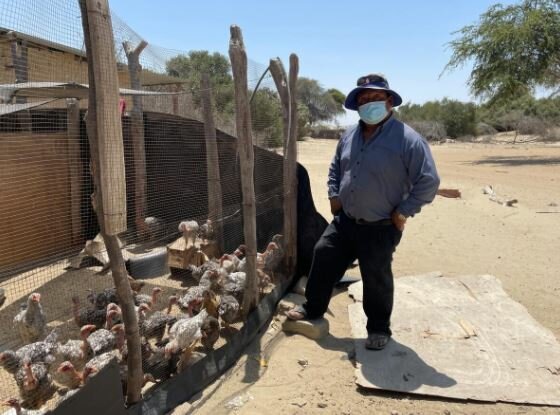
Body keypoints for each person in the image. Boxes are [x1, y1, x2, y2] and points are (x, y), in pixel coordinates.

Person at [287, 74, 440, 350]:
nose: (369, 104)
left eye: (375, 98)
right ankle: (312, 309)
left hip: (382, 225)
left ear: (389, 101)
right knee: (323, 256)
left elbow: (429, 181)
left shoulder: (408, 140)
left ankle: (379, 329)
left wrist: (404, 211)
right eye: (363, 99)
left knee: (376, 275)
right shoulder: (349, 135)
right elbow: (336, 167)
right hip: (345, 221)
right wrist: (334, 194)